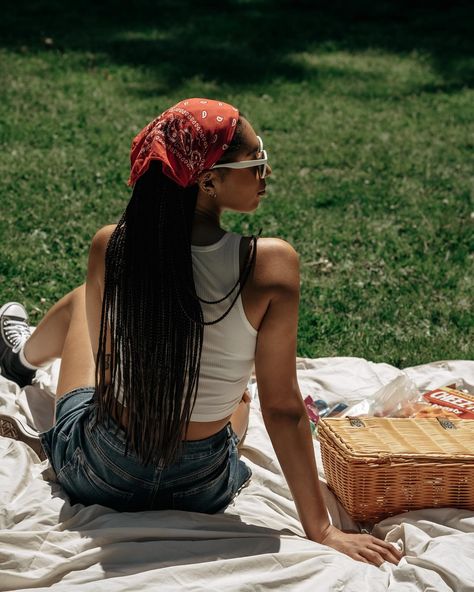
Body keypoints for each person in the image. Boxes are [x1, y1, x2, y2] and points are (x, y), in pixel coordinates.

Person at [0, 98, 402, 567]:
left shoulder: (113, 245)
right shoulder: (272, 264)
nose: (266, 172)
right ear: (209, 181)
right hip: (203, 486)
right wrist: (322, 528)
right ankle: (19, 355)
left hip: (102, 471)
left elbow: (108, 377)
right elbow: (283, 407)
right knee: (244, 401)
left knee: (79, 304)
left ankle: (20, 358)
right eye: (257, 160)